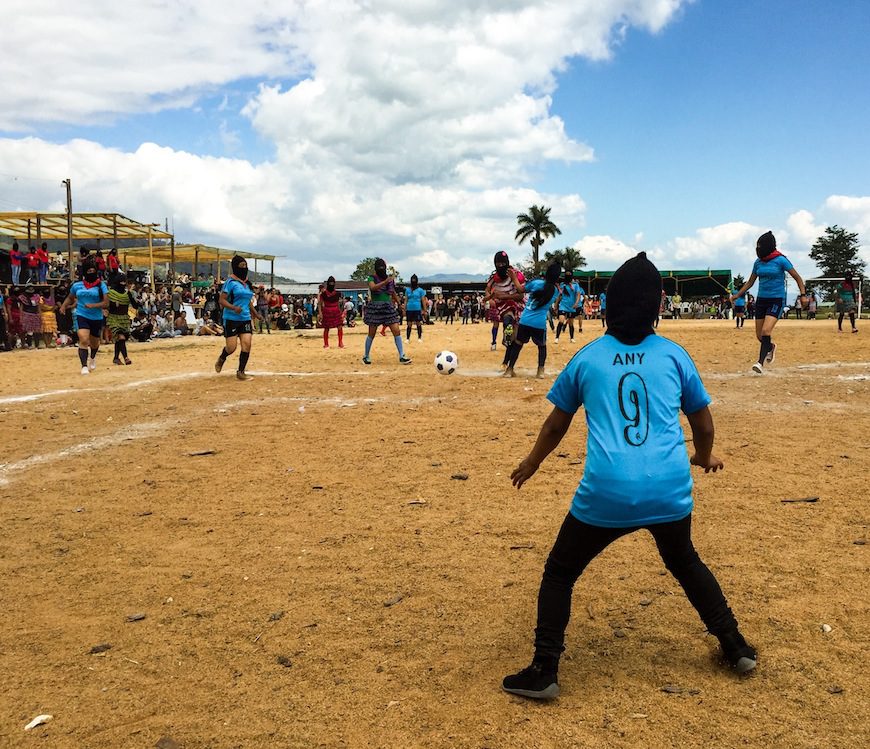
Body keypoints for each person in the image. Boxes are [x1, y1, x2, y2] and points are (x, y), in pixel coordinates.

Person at [502, 252, 756, 701]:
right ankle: (735, 645)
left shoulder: (588, 358)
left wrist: (531, 463)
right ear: (656, 307)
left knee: (560, 572)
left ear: (610, 306)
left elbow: (556, 425)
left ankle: (545, 668)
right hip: (668, 489)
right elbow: (704, 422)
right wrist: (703, 456)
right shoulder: (674, 355)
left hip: (607, 492)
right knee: (685, 562)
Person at [729, 231, 806, 374]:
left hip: (776, 299)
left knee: (766, 331)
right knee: (760, 336)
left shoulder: (781, 260)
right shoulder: (757, 263)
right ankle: (770, 347)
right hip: (761, 300)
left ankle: (760, 363)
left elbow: (797, 277)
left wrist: (803, 295)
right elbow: (750, 282)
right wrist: (737, 295)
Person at [503, 263, 561, 378]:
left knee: (518, 344)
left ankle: (509, 370)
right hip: (539, 323)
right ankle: (540, 371)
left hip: (525, 320)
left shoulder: (536, 283)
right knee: (542, 346)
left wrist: (514, 278)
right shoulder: (556, 291)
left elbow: (520, 290)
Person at [215, 256, 262, 380]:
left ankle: (241, 372)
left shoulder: (246, 284)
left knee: (247, 344)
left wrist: (255, 314)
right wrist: (233, 308)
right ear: (235, 267)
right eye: (242, 266)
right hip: (231, 318)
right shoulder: (230, 283)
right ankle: (222, 358)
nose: (244, 268)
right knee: (231, 348)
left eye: (245, 265)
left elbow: (247, 301)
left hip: (245, 318)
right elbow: (222, 300)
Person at [59, 259, 109, 374]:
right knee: (83, 339)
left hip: (96, 317)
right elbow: (70, 297)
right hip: (81, 314)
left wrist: (94, 305)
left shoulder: (101, 286)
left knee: (95, 343)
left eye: (93, 270)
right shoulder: (77, 286)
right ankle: (84, 366)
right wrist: (63, 306)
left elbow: (106, 303)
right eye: (89, 271)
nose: (91, 273)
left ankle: (92, 357)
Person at [362, 258, 411, 365]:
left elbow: (392, 292)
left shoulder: (389, 280)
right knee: (371, 333)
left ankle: (402, 355)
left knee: (396, 330)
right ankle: (366, 355)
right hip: (375, 306)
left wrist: (400, 304)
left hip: (388, 306)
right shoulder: (372, 278)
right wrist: (385, 282)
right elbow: (373, 288)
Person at [483, 251, 525, 353]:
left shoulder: (516, 275)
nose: (501, 266)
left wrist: (504, 296)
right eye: (498, 264)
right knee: (503, 320)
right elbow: (487, 290)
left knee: (513, 339)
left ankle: (508, 362)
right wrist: (491, 298)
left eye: (503, 263)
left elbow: (521, 295)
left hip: (518, 306)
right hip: (502, 307)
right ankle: (496, 341)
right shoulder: (494, 278)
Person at [107, 273, 141, 364]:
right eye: (121, 282)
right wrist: (114, 304)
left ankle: (116, 358)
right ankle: (126, 357)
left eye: (124, 282)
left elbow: (135, 306)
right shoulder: (111, 292)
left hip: (124, 319)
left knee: (120, 339)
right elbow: (107, 304)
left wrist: (134, 298)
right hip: (113, 318)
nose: (122, 283)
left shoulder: (127, 293)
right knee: (121, 337)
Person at [554, 270, 583, 343]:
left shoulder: (575, 285)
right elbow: (559, 296)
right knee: (561, 321)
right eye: (567, 274)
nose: (568, 276)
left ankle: (572, 338)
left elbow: (578, 295)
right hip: (563, 305)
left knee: (571, 323)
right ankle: (557, 337)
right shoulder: (562, 285)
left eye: (569, 274)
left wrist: (576, 303)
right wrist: (556, 305)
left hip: (572, 306)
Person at [318, 276, 345, 348]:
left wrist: (342, 312)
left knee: (339, 326)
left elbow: (341, 303)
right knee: (326, 328)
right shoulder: (323, 294)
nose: (331, 284)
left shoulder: (338, 293)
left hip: (336, 311)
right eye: (330, 283)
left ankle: (340, 342)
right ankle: (326, 343)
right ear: (328, 283)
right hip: (327, 311)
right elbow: (320, 304)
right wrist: (320, 313)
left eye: (333, 283)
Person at [403, 274, 426, 341]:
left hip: (417, 309)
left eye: (414, 280)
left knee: (418, 323)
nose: (413, 281)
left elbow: (423, 300)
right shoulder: (407, 290)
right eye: (412, 280)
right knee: (409, 324)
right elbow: (406, 300)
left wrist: (424, 310)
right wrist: (404, 309)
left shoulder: (420, 290)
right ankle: (407, 338)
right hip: (409, 309)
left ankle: (419, 338)